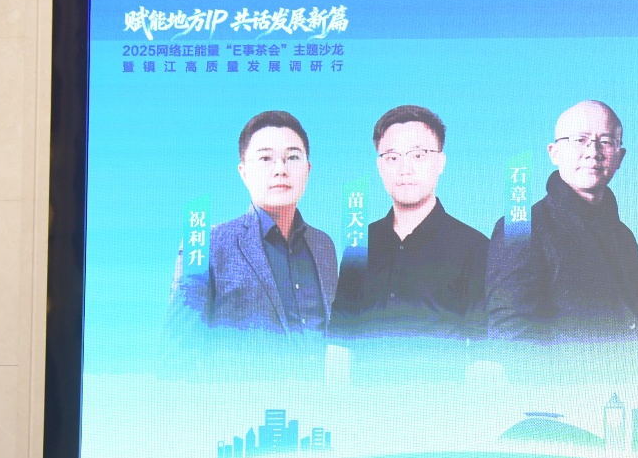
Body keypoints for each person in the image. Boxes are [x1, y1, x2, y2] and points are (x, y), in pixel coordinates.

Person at [485, 100, 638, 343]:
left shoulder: (623, 235)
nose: (593, 152)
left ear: (619, 157)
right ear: (554, 153)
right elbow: (511, 336)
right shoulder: (520, 226)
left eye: (606, 141)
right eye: (580, 140)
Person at [168, 110, 338, 334]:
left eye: (293, 158)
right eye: (265, 158)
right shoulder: (204, 245)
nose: (280, 170)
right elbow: (180, 346)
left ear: (307, 170)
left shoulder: (323, 245)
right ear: (244, 172)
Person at [330, 104, 489, 339]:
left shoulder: (475, 248)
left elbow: (482, 346)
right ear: (380, 166)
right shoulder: (359, 244)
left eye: (417, 155)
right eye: (393, 157)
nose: (405, 169)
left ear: (441, 162)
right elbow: (340, 336)